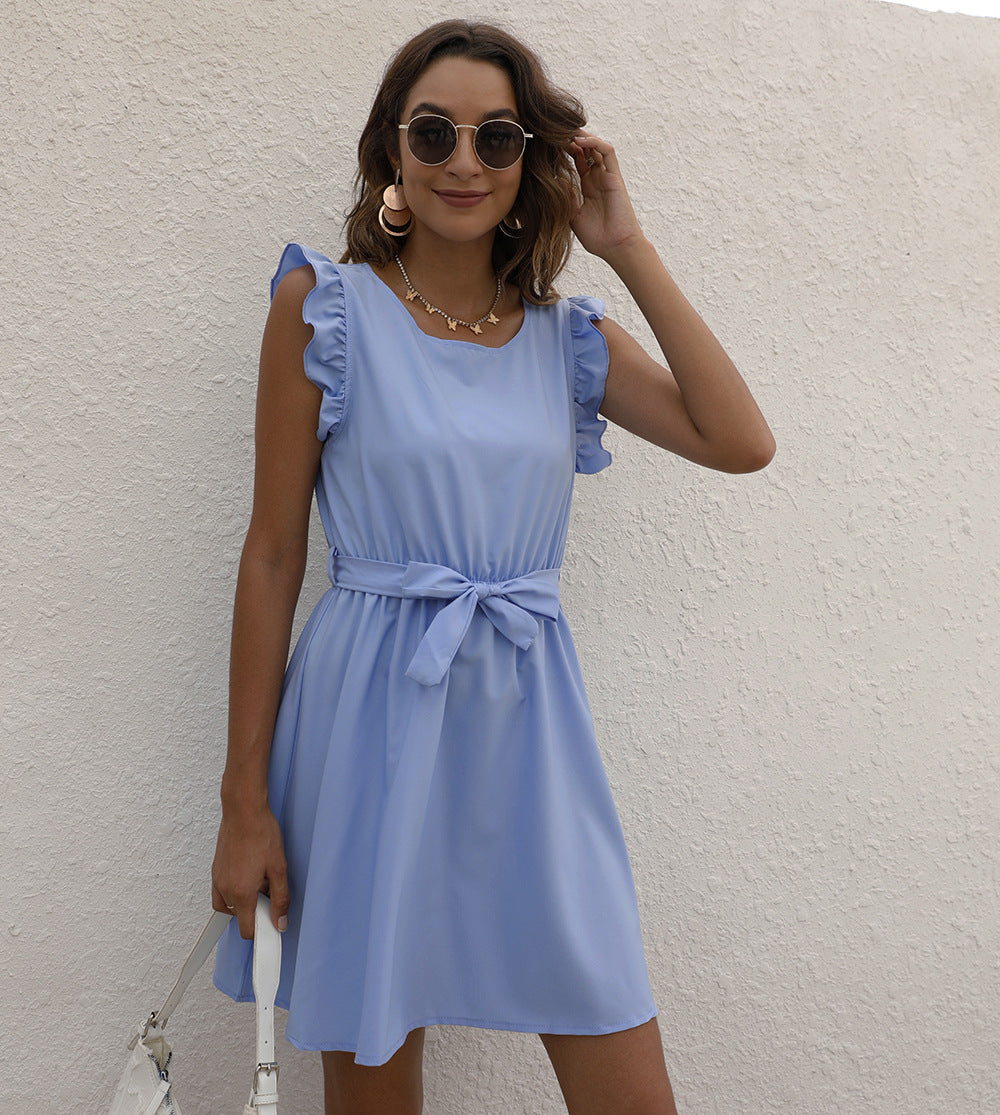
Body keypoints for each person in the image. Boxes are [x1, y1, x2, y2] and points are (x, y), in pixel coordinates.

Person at [210, 19, 774, 1115]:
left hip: (529, 720)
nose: (463, 161)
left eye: (498, 137)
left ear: (529, 162)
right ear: (392, 151)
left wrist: (626, 246)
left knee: (625, 1074)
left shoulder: (568, 339)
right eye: (434, 133)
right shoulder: (323, 310)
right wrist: (244, 803)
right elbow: (273, 554)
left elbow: (739, 440)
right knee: (374, 1079)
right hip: (365, 715)